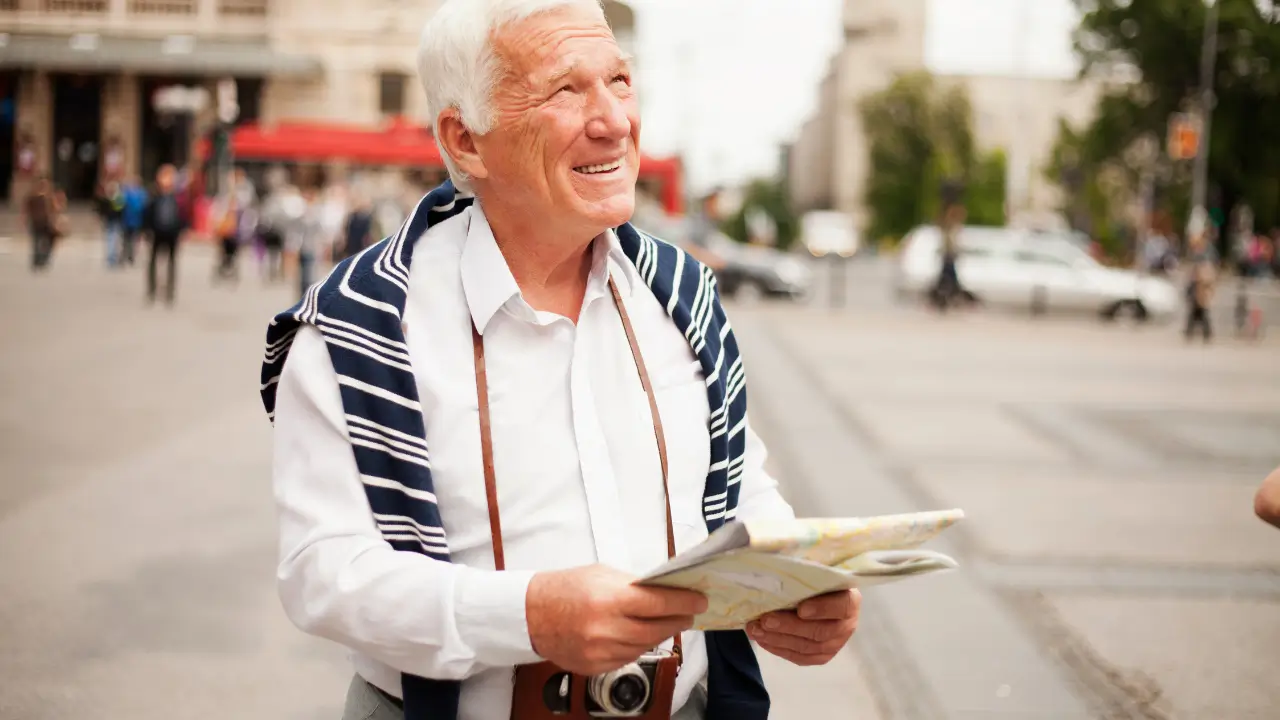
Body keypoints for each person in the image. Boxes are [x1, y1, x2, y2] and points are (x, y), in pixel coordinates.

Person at [262, 3, 860, 720]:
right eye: (566, 90)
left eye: (619, 81)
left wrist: (792, 584)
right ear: (465, 139)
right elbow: (324, 572)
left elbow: (733, 487)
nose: (614, 121)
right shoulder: (358, 327)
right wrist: (528, 616)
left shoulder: (683, 295)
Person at [142, 164, 188, 306]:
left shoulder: (179, 197)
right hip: (157, 232)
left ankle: (169, 292)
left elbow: (183, 215)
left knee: (171, 262)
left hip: (172, 233)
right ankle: (152, 290)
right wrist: (146, 230)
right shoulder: (154, 194)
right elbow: (147, 213)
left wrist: (183, 230)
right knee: (153, 261)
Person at [23, 177, 57, 272]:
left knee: (49, 241)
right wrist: (24, 219)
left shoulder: (49, 197)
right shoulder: (33, 197)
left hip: (47, 223)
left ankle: (44, 258)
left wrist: (54, 220)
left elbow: (54, 209)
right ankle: (37, 260)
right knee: (36, 241)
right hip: (36, 222)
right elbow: (26, 209)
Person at [120, 175, 148, 267]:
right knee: (131, 239)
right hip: (133, 220)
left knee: (129, 239)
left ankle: (128, 255)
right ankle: (129, 255)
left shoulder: (129, 193)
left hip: (131, 220)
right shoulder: (141, 193)